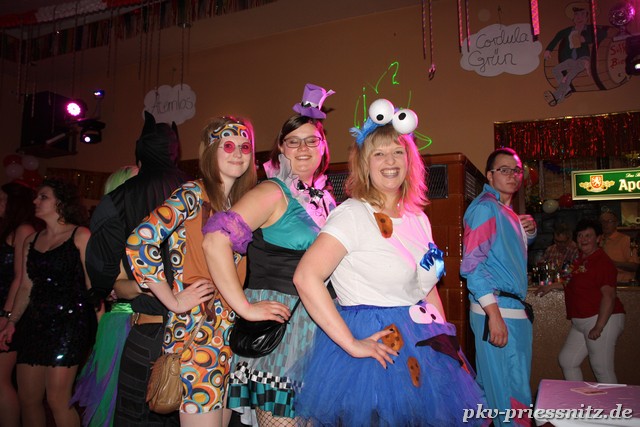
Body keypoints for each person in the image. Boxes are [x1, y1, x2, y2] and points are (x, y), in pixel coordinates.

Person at [291, 99, 487, 426]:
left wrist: (447, 343)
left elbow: (427, 289)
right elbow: (306, 277)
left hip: (421, 341)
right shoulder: (352, 214)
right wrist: (352, 344)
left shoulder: (419, 219)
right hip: (374, 346)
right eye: (379, 154)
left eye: (398, 151)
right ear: (364, 164)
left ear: (410, 160)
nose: (390, 161)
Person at [202, 83, 336, 426]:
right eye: (293, 141)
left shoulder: (325, 198)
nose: (303, 148)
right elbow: (215, 240)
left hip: (320, 328)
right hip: (283, 331)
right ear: (281, 149)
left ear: (324, 146)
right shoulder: (272, 192)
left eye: (311, 140)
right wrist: (244, 307)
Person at [126, 116, 257, 427]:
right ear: (210, 151)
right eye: (228, 145)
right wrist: (172, 300)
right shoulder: (193, 193)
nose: (238, 153)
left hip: (230, 331)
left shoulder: (241, 204)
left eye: (244, 147)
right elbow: (141, 239)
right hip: (198, 330)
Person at [89, 112, 190, 427]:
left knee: (135, 418)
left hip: (149, 330)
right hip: (196, 334)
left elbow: (102, 268)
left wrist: (106, 287)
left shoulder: (119, 198)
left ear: (140, 152)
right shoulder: (196, 192)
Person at [0, 178, 96, 427]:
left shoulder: (80, 235)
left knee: (57, 400)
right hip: (34, 324)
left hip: (69, 326)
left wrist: (100, 328)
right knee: (28, 399)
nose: (35, 201)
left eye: (43, 197)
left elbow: (92, 288)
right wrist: (12, 322)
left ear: (61, 202)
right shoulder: (31, 240)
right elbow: (26, 286)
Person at [460, 147, 537, 426]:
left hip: (509, 310)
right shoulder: (485, 208)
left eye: (516, 171)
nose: (512, 175)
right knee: (510, 396)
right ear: (490, 175)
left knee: (491, 395)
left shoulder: (505, 211)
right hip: (498, 309)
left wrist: (528, 232)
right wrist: (494, 315)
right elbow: (472, 266)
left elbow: (504, 254)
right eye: (504, 170)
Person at [70, 165, 139, 427]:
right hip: (123, 324)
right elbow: (109, 287)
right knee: (116, 406)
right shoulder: (113, 232)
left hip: (147, 323)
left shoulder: (151, 225)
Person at [536, 219, 625, 383]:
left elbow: (609, 296)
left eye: (588, 236)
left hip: (601, 318)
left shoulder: (602, 261)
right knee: (567, 360)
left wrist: (599, 326)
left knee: (601, 368)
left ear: (598, 238)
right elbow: (570, 281)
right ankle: (577, 396)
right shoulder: (581, 260)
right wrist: (550, 286)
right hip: (582, 320)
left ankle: (613, 401)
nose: (583, 239)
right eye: (580, 235)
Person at [0, 181, 41, 427]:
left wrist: (6, 315)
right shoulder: (7, 228)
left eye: (3, 200)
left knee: (2, 379)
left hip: (11, 308)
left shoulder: (24, 229)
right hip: (5, 304)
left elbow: (21, 277)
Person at [543, 2, 609, 106]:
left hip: (583, 59)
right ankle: (566, 90)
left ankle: (556, 95)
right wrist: (548, 50)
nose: (579, 17)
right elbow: (557, 36)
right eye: (577, 15)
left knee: (568, 76)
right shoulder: (568, 31)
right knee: (555, 69)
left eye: (583, 14)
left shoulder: (589, 29)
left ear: (587, 17)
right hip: (570, 59)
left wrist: (585, 39)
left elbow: (603, 34)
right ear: (573, 18)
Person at [599, 211, 639, 283]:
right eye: (603, 221)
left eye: (609, 221)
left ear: (616, 223)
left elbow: (635, 266)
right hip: (602, 283)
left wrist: (613, 263)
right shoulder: (598, 240)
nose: (605, 224)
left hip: (622, 284)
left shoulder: (625, 240)